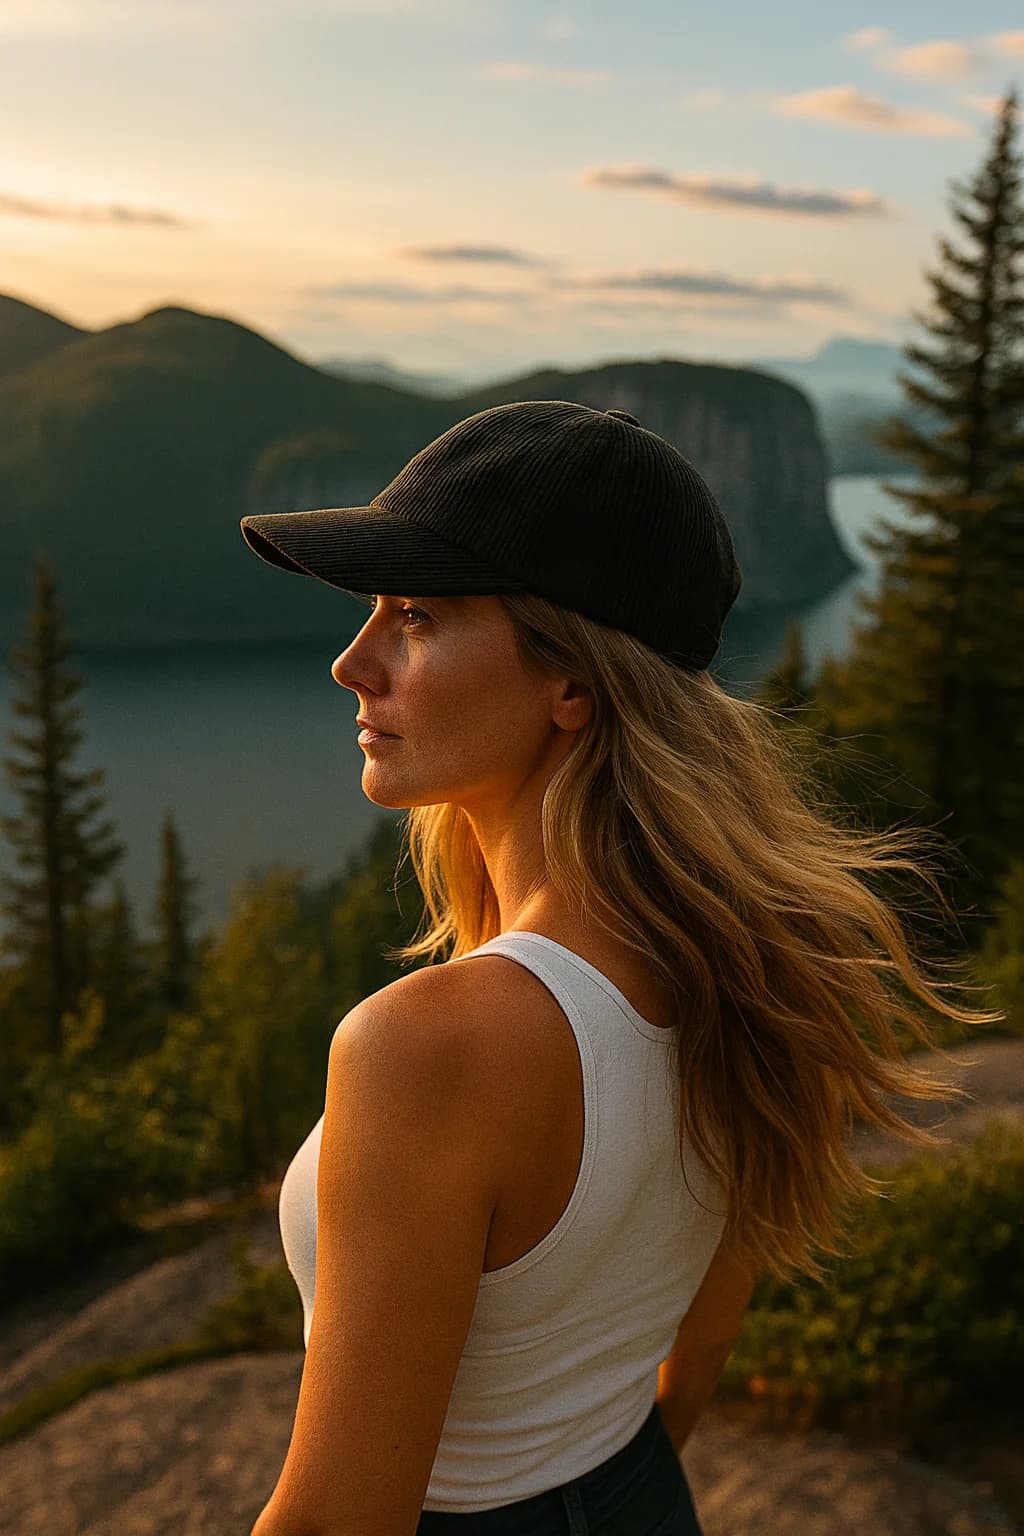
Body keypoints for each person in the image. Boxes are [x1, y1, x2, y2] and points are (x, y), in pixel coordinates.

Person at [239, 400, 990, 1536]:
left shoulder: (428, 1044)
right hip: (641, 1492)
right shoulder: (750, 967)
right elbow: (698, 1352)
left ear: (573, 684)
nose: (354, 663)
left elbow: (340, 1519)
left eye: (416, 616)